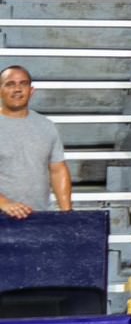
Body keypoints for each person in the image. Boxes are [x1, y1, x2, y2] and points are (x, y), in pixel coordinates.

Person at [0, 67, 72, 215]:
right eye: (10, 84)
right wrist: (4, 203)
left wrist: (67, 213)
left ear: (31, 90)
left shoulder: (46, 125)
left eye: (23, 84)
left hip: (39, 217)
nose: (18, 89)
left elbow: (58, 170)